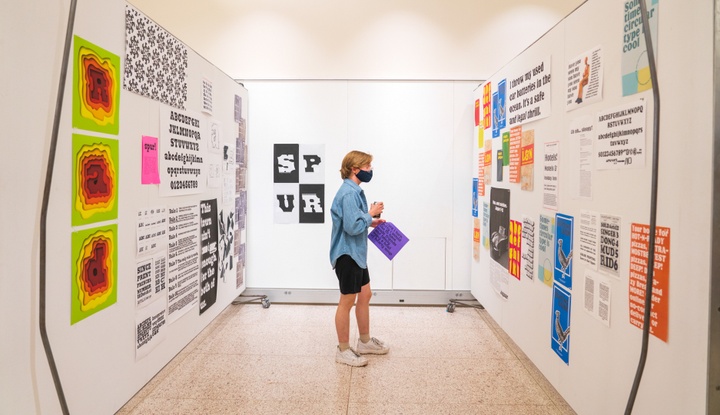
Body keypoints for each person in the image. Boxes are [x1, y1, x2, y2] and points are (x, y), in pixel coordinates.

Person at [329, 150, 389, 367]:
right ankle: (343, 350)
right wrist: (371, 213)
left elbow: (354, 221)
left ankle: (364, 341)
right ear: (355, 169)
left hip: (356, 253)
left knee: (365, 294)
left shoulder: (354, 191)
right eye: (367, 167)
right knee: (347, 301)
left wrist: (371, 222)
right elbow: (352, 227)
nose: (370, 171)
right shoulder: (348, 193)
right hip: (347, 254)